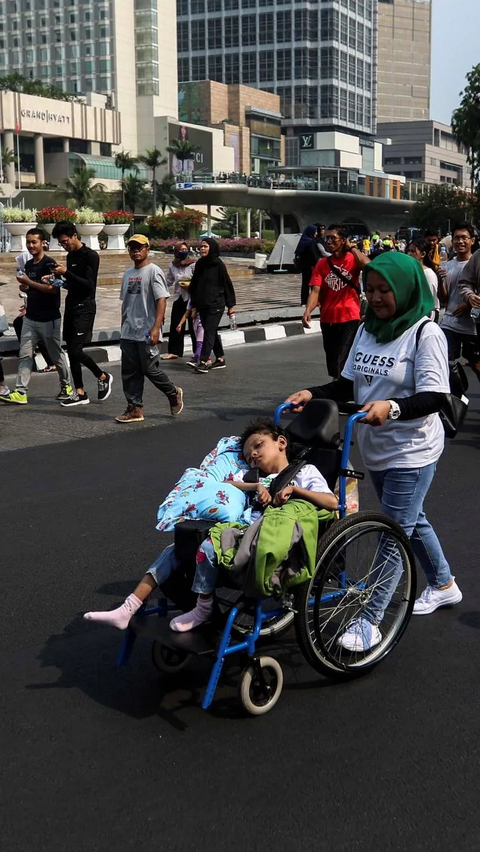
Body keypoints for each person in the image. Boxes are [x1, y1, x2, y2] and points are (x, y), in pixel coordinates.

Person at [286, 252, 462, 652]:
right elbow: (348, 386)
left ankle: (370, 620)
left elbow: (436, 396)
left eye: (385, 290)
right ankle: (444, 584)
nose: (377, 297)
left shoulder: (425, 332)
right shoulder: (368, 328)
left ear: (405, 288)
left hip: (412, 450)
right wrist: (312, 393)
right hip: (374, 447)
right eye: (370, 289)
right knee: (410, 521)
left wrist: (393, 407)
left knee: (390, 534)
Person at [83, 417, 338, 632]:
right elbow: (226, 484)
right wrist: (256, 485)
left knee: (205, 548)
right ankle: (128, 608)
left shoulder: (305, 473)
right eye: (249, 457)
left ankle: (203, 609)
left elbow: (331, 502)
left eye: (259, 446)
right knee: (177, 549)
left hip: (271, 539)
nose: (255, 455)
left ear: (281, 442)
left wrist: (295, 490)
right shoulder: (253, 476)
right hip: (243, 531)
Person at [0, 228, 75, 406]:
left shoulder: (50, 264)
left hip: (49, 318)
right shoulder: (28, 264)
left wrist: (29, 283)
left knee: (56, 355)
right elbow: (29, 288)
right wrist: (24, 287)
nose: (31, 245)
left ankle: (67, 386)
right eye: (28, 242)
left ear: (43, 243)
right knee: (25, 354)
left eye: (34, 242)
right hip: (31, 318)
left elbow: (53, 289)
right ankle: (20, 392)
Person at [115, 234, 184, 423]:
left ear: (147, 249)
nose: (136, 250)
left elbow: (161, 299)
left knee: (149, 368)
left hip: (146, 330)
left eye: (140, 247)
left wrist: (156, 327)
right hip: (129, 331)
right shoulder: (128, 274)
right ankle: (135, 408)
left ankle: (172, 392)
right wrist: (123, 327)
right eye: (132, 247)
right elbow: (125, 303)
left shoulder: (154, 271)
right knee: (129, 372)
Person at [50, 220, 112, 407]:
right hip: (71, 306)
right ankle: (80, 392)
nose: (64, 245)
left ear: (75, 236)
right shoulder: (71, 256)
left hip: (85, 308)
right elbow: (73, 285)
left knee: (77, 350)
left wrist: (67, 272)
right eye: (61, 243)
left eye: (65, 241)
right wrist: (57, 280)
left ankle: (102, 375)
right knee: (71, 351)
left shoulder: (90, 255)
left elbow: (88, 285)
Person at [303, 224, 370, 379]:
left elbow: (368, 265)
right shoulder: (322, 264)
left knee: (343, 357)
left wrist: (352, 248)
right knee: (333, 360)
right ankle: (339, 386)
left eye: (333, 238)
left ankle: (338, 392)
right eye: (327, 238)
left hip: (349, 317)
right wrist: (308, 310)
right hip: (328, 318)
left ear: (343, 240)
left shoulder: (353, 259)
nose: (328, 241)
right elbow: (316, 291)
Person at [438, 223, 480, 380]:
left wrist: (469, 303)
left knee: (476, 364)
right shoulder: (448, 266)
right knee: (445, 364)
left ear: (472, 241)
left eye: (464, 238)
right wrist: (440, 281)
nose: (460, 242)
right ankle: (455, 400)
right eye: (456, 238)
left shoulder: (476, 263)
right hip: (450, 323)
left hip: (473, 326)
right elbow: (444, 299)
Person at [189, 238, 236, 374]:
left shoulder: (218, 264)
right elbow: (195, 285)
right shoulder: (200, 264)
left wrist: (231, 305)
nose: (202, 249)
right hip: (202, 304)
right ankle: (220, 358)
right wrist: (194, 305)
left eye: (205, 246)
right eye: (201, 247)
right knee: (211, 331)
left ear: (212, 248)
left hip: (216, 304)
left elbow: (227, 284)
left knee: (209, 330)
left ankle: (204, 361)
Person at [161, 241, 196, 361]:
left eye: (185, 249)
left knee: (193, 325)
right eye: (180, 249)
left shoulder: (193, 264)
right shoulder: (173, 265)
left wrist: (189, 285)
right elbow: (169, 281)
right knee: (176, 324)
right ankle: (174, 351)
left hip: (191, 298)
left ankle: (198, 351)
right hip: (178, 297)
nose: (183, 251)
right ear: (176, 251)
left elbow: (199, 281)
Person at [406, 236, 440, 321]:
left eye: (413, 251)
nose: (409, 254)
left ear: (423, 254)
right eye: (408, 251)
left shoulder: (428, 274)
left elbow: (428, 301)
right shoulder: (409, 271)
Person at [295, 225, 321, 305]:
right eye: (315, 231)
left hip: (303, 266)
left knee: (305, 284)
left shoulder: (303, 240)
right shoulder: (311, 242)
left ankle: (304, 301)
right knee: (314, 284)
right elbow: (314, 255)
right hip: (311, 266)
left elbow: (297, 253)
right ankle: (313, 301)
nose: (316, 233)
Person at [175, 298, 205, 368]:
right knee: (199, 341)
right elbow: (186, 314)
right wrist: (180, 324)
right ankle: (204, 357)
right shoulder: (191, 300)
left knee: (199, 342)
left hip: (202, 322)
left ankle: (196, 358)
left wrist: (195, 310)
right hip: (195, 323)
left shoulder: (203, 298)